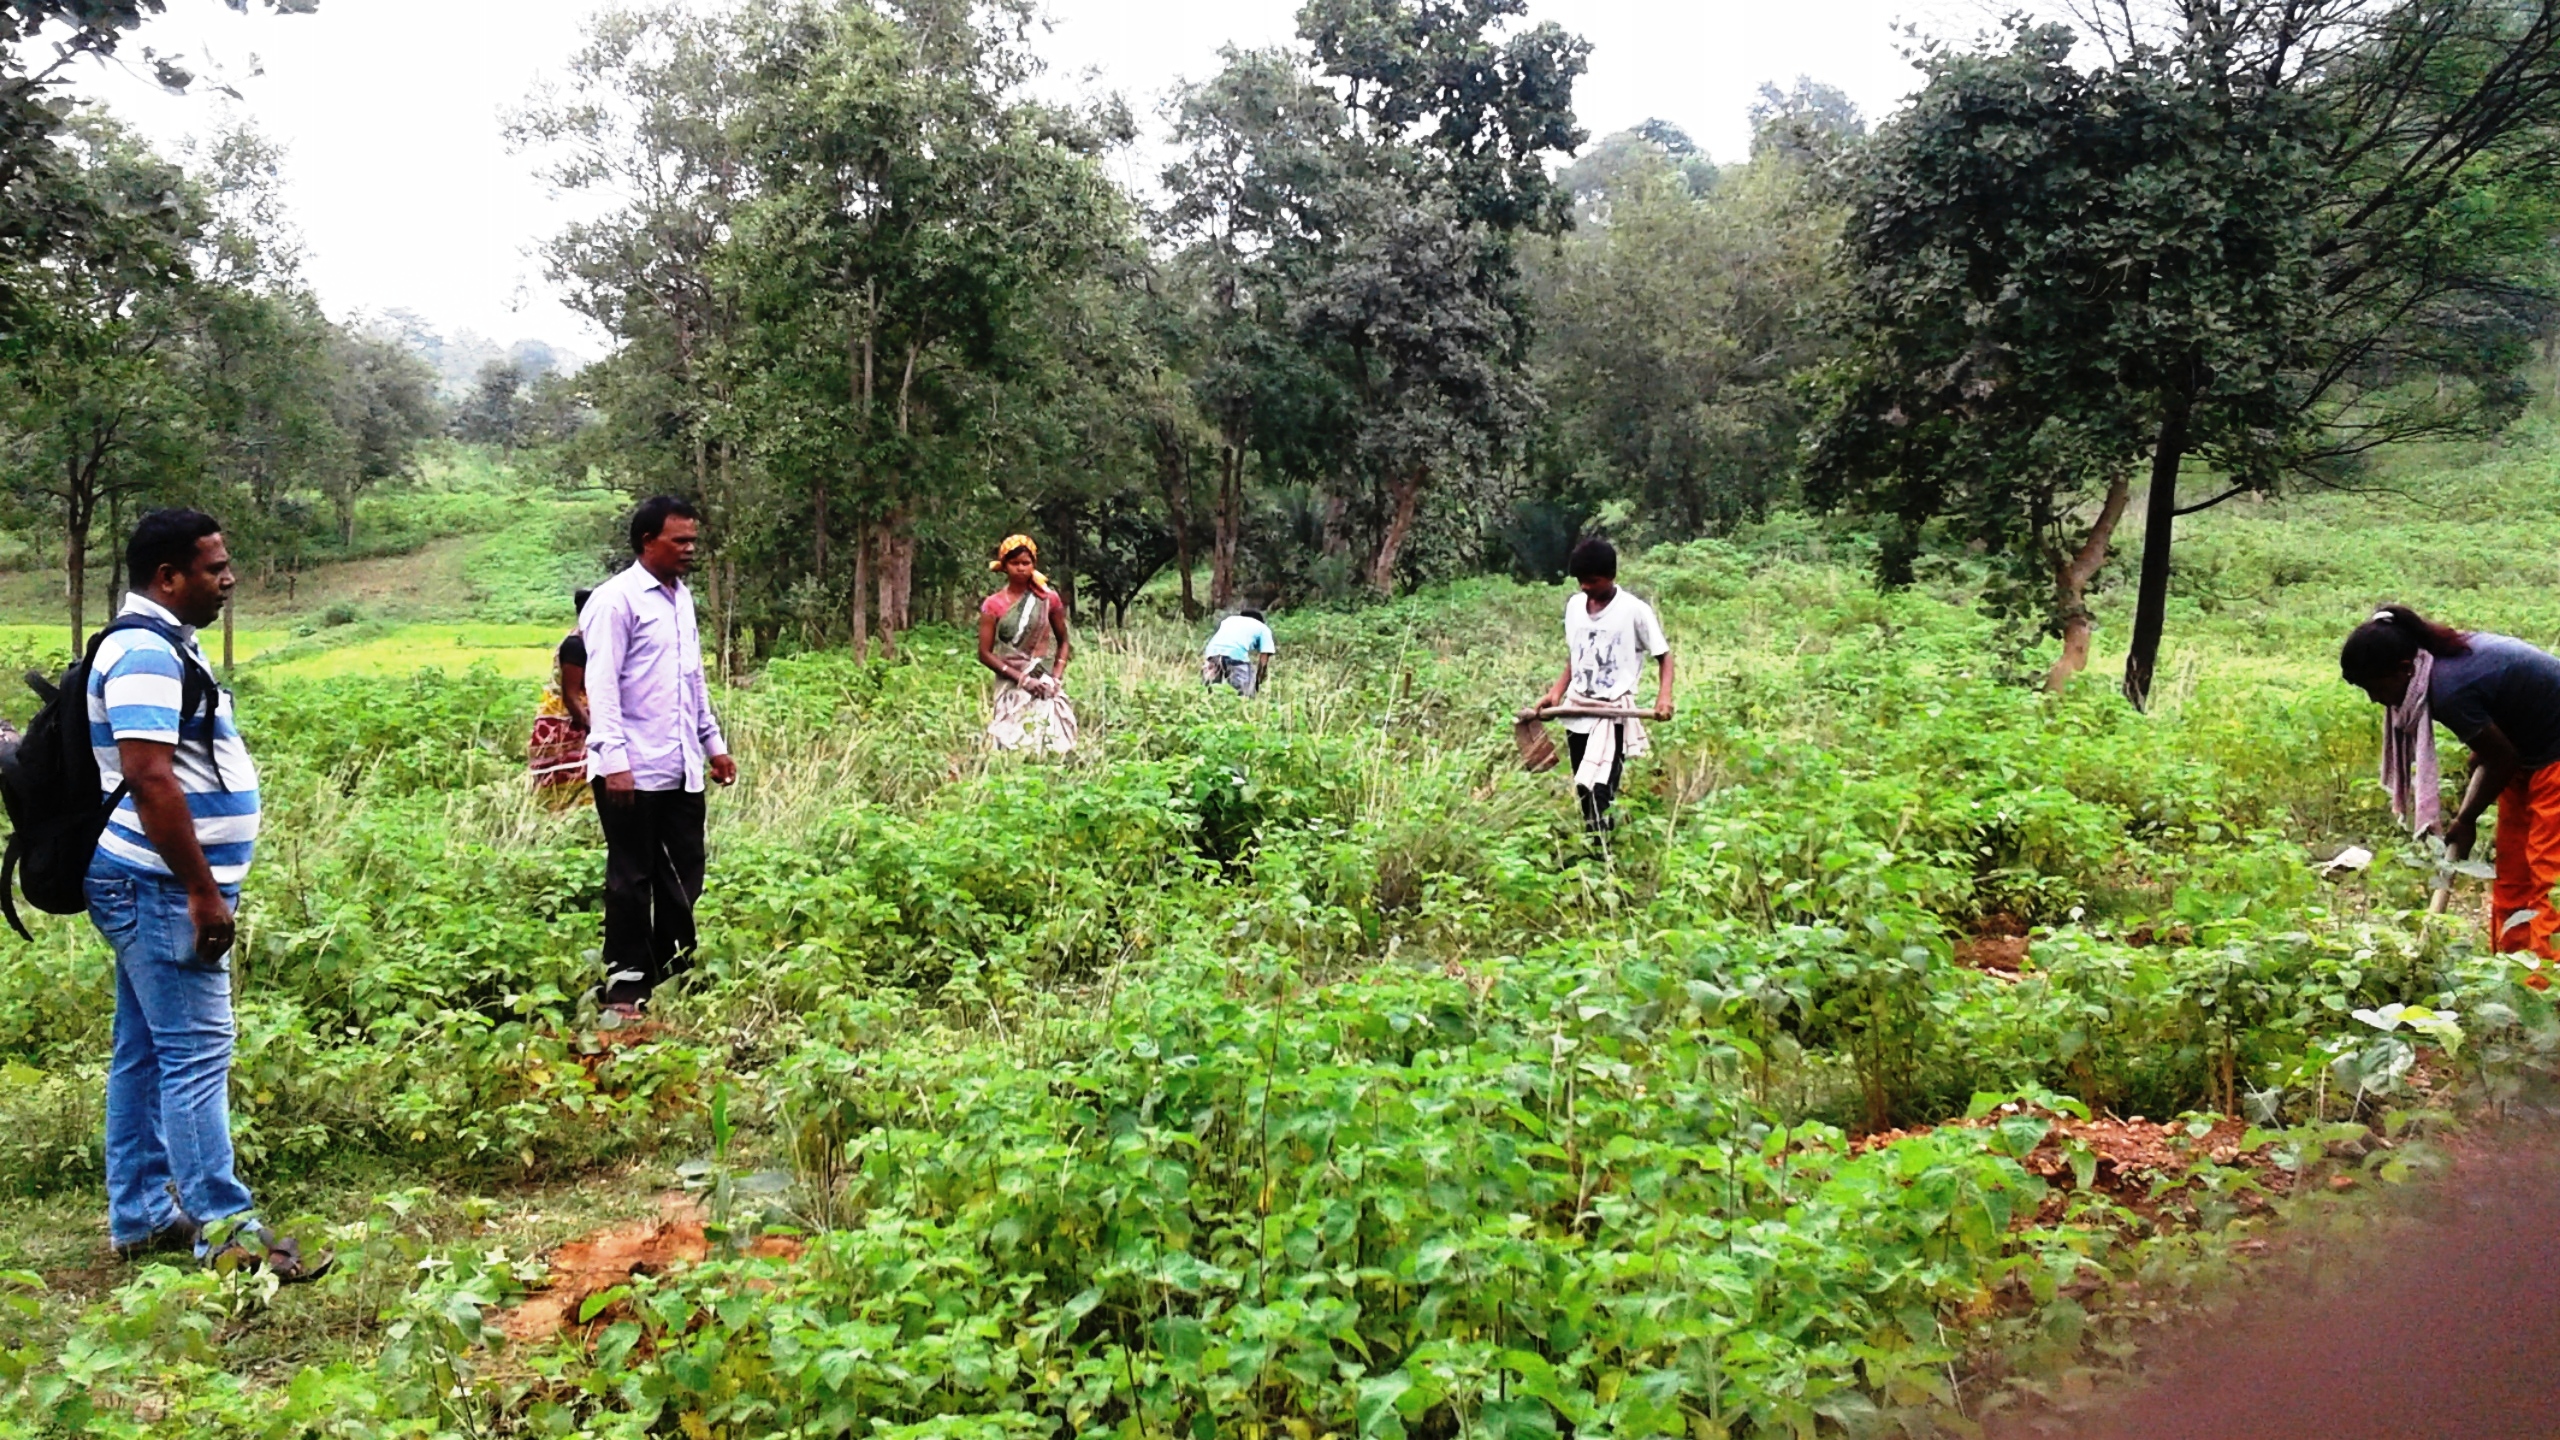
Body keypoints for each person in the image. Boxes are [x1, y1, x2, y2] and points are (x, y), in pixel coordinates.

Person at [88, 509, 327, 1280]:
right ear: (168, 578)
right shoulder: (146, 655)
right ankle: (227, 1233)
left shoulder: (160, 646)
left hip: (145, 882)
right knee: (195, 1052)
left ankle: (143, 1215)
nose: (229, 580)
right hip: (159, 886)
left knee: (145, 1051)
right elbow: (151, 777)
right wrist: (201, 891)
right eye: (215, 568)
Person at [582, 498, 736, 1018]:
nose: (690, 550)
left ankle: (670, 964)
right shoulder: (614, 602)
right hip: (630, 767)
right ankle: (626, 981)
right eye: (680, 541)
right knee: (632, 874)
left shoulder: (681, 599)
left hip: (680, 763)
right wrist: (613, 758)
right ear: (648, 541)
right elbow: (599, 685)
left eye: (694, 540)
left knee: (683, 867)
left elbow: (690, 679)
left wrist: (712, 744)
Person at [2343, 605, 2560, 964]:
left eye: (2374, 686)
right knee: (2513, 874)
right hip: (2529, 753)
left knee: (2549, 879)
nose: (2374, 699)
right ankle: (2515, 978)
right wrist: (2483, 752)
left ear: (2403, 669)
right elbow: (2496, 736)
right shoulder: (2431, 663)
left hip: (2548, 757)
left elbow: (2500, 758)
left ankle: (2549, 990)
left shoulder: (2447, 688)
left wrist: (2466, 819)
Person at [1521, 538, 1675, 832]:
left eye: (1592, 581)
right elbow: (1576, 656)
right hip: (1577, 709)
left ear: (1611, 576)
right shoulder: (1575, 606)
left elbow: (1664, 657)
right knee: (1583, 788)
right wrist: (1556, 693)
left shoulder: (1634, 611)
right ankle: (1598, 844)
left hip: (1611, 714)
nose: (1585, 587)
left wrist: (1663, 697)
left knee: (1601, 790)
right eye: (1580, 581)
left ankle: (1602, 853)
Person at [977, 534, 1077, 753]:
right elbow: (984, 653)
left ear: (1034, 564)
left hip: (1044, 681)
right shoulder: (993, 605)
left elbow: (1064, 641)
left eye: (1026, 563)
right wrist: (1023, 679)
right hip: (1011, 681)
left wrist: (1056, 677)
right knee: (1011, 746)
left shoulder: (1049, 599)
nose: (1020, 568)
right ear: (1004, 566)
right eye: (1014, 563)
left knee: (1049, 745)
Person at [526, 588, 593, 805]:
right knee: (568, 790)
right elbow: (571, 697)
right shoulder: (576, 645)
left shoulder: (590, 639)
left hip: (574, 719)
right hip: (565, 723)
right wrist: (595, 728)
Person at [1200, 608, 1276, 697]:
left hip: (1212, 653)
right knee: (1245, 694)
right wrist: (1258, 681)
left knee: (1210, 692)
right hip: (1235, 655)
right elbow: (1264, 660)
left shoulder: (1229, 620)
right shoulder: (1263, 628)